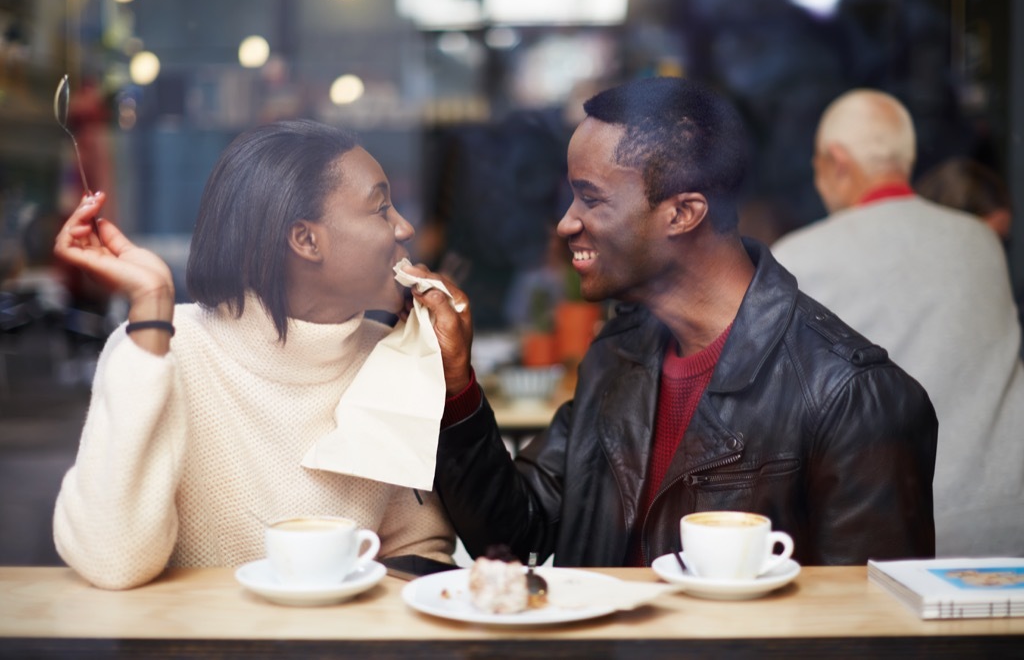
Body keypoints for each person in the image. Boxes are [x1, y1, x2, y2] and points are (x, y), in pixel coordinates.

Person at [411, 77, 938, 567]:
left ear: (683, 213)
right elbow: (516, 533)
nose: (567, 222)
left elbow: (867, 629)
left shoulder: (852, 396)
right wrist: (457, 385)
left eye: (591, 198)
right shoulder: (618, 354)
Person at [52, 120, 454, 590]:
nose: (404, 227)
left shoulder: (388, 356)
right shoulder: (157, 343)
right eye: (381, 208)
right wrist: (152, 308)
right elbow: (112, 562)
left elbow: (420, 552)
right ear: (305, 240)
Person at [772, 89, 1024, 556]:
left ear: (838, 162)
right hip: (1010, 521)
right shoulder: (981, 242)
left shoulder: (799, 258)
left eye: (817, 167)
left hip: (897, 539)